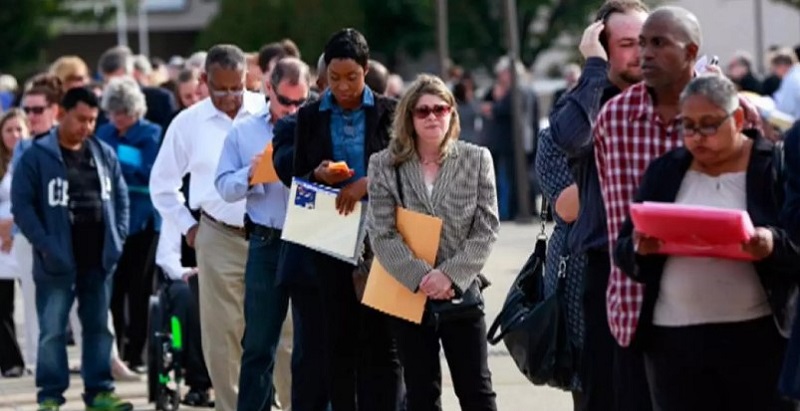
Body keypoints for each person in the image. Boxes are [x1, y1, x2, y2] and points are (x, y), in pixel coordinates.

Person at [593, 7, 762, 409]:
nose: (644, 54)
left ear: (691, 52)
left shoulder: (735, 114)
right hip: (636, 310)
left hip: (739, 318)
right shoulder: (613, 118)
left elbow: (765, 201)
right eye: (639, 43)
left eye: (658, 43)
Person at [615, 75, 797, 410]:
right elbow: (624, 249)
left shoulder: (773, 166)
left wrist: (770, 243)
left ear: (738, 119)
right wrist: (640, 248)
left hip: (758, 341)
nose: (697, 136)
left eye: (709, 125)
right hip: (674, 343)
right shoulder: (665, 171)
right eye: (688, 126)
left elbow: (796, 245)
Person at [367, 74, 499, 410]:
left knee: (477, 392)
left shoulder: (476, 158)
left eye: (440, 109)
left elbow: (486, 227)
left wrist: (449, 275)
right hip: (408, 293)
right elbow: (381, 232)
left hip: (460, 292)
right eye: (423, 111)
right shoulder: (384, 164)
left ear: (452, 113)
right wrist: (423, 277)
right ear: (409, 117)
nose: (432, 117)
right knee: (421, 394)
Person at [150, 44, 266, 411]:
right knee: (223, 332)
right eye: (221, 88)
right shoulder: (187, 124)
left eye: (237, 87)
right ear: (204, 80)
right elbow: (162, 185)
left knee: (278, 328)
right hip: (217, 234)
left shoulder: (265, 112)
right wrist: (188, 228)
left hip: (268, 233)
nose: (231, 97)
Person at [292, 28, 404, 410]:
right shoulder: (310, 116)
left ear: (366, 70)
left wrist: (367, 183)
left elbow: (407, 170)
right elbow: (297, 177)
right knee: (337, 340)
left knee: (383, 341)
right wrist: (318, 174)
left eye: (352, 77)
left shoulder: (390, 111)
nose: (343, 87)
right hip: (330, 232)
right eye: (335, 78)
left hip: (383, 234)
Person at [547, 2, 649, 409]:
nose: (641, 52)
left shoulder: (671, 97)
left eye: (647, 41)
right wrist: (593, 69)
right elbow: (571, 138)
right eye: (627, 44)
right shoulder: (585, 101)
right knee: (604, 394)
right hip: (603, 266)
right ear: (603, 48)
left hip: (668, 265)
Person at [11, 87, 130, 411]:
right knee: (52, 331)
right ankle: (50, 396)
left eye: (92, 120)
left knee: (98, 328)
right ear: (61, 114)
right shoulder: (36, 156)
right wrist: (46, 246)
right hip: (56, 260)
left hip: (98, 258)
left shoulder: (103, 153)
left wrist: (117, 239)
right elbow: (22, 207)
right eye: (81, 119)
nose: (86, 127)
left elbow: (121, 199)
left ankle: (99, 391)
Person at [215, 57, 307, 411]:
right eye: (285, 101)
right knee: (258, 343)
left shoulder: (315, 125)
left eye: (300, 102)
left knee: (311, 341)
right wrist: (251, 174)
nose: (292, 110)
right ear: (269, 89)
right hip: (267, 241)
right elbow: (224, 186)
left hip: (309, 240)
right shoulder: (244, 132)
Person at [271, 53, 329, 411]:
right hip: (310, 257)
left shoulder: (377, 118)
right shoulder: (295, 125)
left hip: (363, 256)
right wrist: (315, 174)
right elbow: (285, 168)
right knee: (309, 353)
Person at [96, 76, 162, 370]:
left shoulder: (152, 133)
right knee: (114, 288)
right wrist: (126, 165)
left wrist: (118, 163)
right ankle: (115, 352)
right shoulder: (103, 132)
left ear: (135, 110)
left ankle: (138, 353)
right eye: (112, 112)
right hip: (110, 222)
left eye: (121, 112)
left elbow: (151, 172)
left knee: (140, 288)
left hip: (144, 222)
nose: (116, 118)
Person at [154, 218, 214, 407]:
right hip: (185, 277)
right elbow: (166, 256)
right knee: (188, 295)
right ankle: (198, 383)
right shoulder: (177, 211)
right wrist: (185, 272)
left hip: (226, 274)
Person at [0, 109, 30, 378]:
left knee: (33, 302)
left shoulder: (31, 158)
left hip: (24, 234)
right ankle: (11, 361)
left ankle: (36, 359)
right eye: (9, 130)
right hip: (1, 244)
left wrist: (13, 226)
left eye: (19, 129)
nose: (14, 135)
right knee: (3, 305)